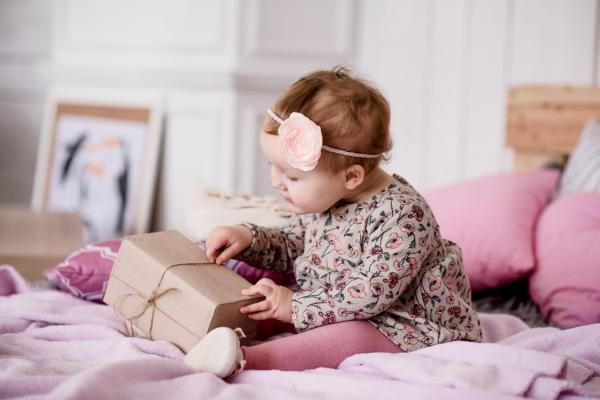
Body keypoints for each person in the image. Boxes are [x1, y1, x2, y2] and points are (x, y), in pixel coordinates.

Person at [184, 67, 482, 378]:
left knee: (349, 335)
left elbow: (371, 293)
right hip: (332, 304)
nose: (275, 182)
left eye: (292, 176)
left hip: (403, 323)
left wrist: (295, 306)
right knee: (260, 306)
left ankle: (248, 359)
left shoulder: (402, 214)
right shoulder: (330, 196)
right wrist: (248, 238)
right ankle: (208, 332)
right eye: (273, 165)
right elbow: (295, 243)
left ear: (351, 176)